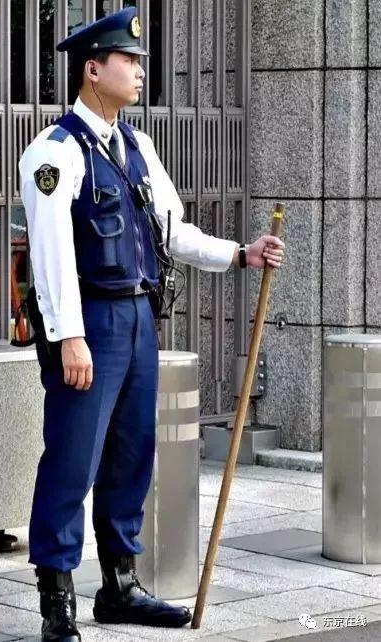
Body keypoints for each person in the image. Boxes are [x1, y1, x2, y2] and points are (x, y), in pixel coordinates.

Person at [19, 7, 284, 642]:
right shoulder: (54, 153)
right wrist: (70, 335)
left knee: (132, 455)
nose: (139, 71)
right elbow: (51, 251)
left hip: (138, 317)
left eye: (138, 61)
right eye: (128, 61)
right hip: (91, 324)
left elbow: (172, 229)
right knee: (72, 461)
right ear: (92, 70)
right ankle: (56, 600)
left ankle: (120, 585)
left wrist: (238, 256)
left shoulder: (136, 145)